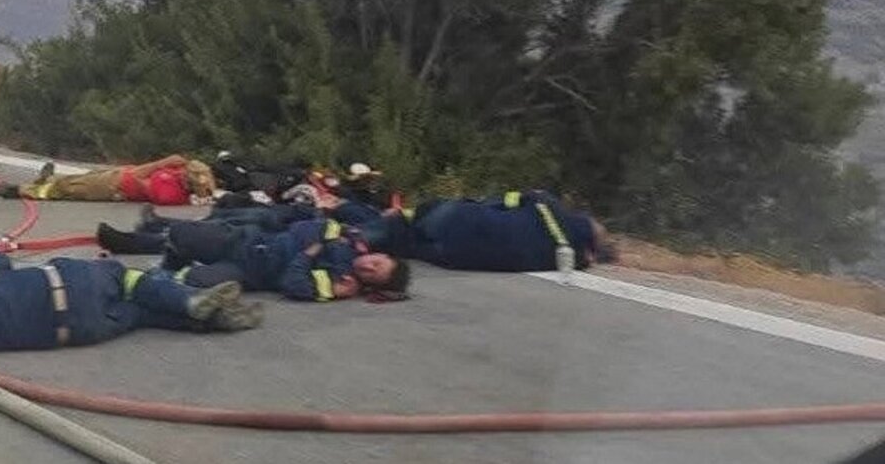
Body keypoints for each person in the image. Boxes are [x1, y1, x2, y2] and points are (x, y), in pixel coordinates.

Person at [0, 247, 262, 354]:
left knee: (140, 315)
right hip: (66, 285)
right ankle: (190, 300)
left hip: (81, 331)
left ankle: (213, 319)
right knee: (127, 278)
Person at [100, 218, 410, 302]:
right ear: (380, 254)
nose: (368, 266)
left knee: (193, 283)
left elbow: (292, 283)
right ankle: (126, 242)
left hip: (248, 272)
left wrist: (308, 253)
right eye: (376, 262)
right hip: (247, 242)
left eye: (373, 274)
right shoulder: (351, 239)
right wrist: (317, 247)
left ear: (369, 285)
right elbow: (305, 227)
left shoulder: (341, 283)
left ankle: (115, 275)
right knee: (183, 234)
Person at [369, 190, 617, 272]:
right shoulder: (569, 261)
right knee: (405, 244)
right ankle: (367, 242)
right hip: (453, 257)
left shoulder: (544, 202)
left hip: (461, 221)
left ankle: (360, 235)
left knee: (405, 220)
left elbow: (497, 201)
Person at [0, 155, 216, 205]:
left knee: (68, 188)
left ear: (189, 183)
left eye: (187, 171)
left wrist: (162, 162)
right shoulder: (178, 176)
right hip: (119, 174)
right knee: (75, 178)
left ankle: (19, 191)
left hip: (113, 187)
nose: (183, 170)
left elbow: (139, 177)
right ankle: (46, 179)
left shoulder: (169, 195)